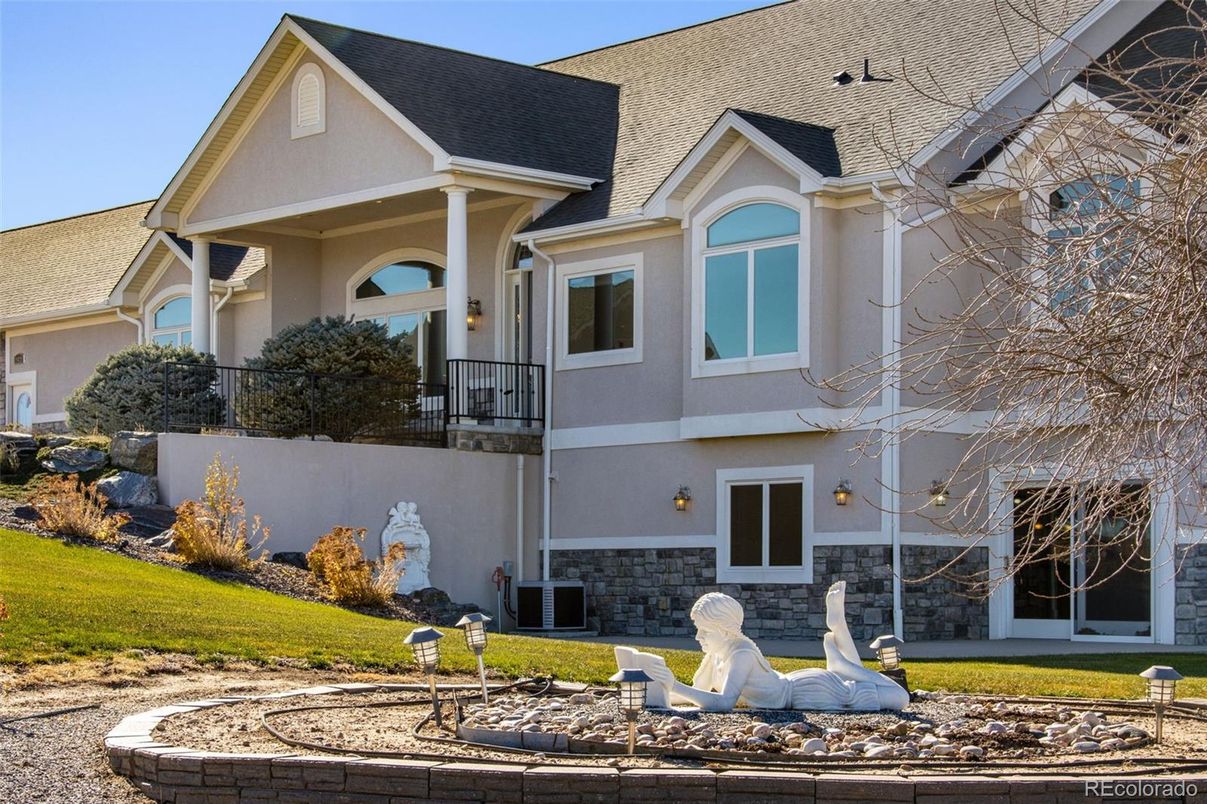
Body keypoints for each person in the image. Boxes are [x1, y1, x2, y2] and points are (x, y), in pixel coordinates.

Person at [631, 581, 909, 711]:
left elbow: (724, 703)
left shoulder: (741, 654)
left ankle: (841, 653)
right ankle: (842, 657)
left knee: (899, 698)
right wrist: (658, 693)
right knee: (874, 689)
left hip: (806, 692)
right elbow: (699, 696)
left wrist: (675, 685)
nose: (698, 638)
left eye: (704, 631)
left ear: (724, 630)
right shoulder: (717, 655)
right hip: (794, 685)